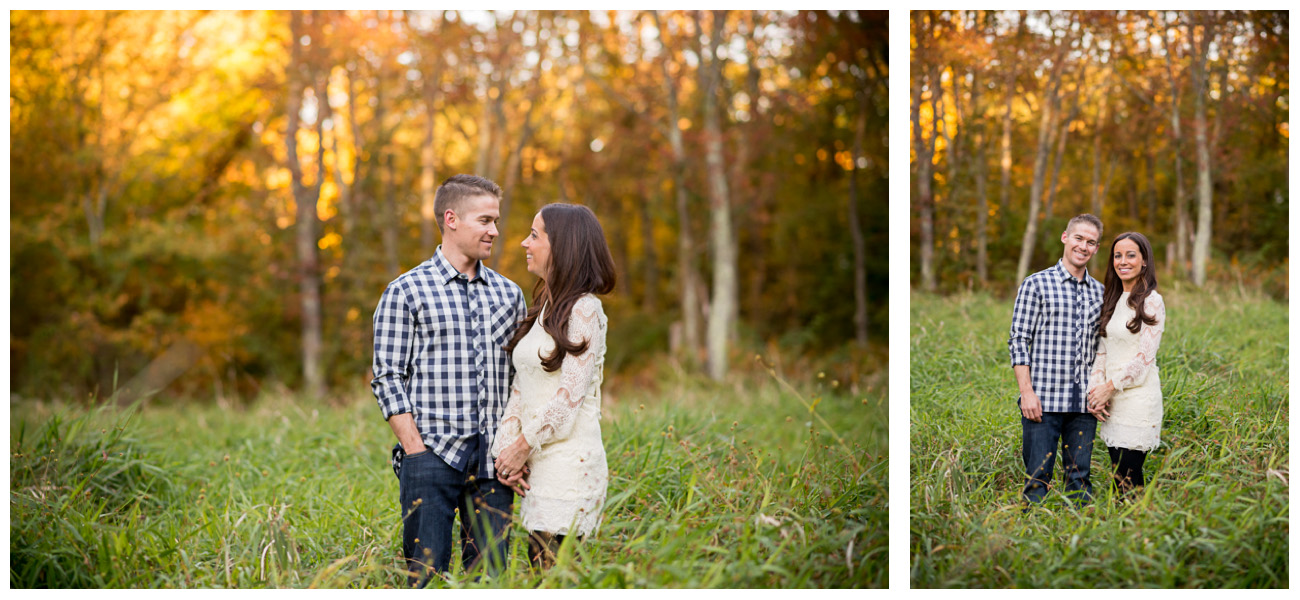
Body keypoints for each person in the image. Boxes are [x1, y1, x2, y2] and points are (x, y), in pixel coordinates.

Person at [370, 174, 528, 587]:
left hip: (494, 464)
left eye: (496, 220)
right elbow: (387, 377)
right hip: (431, 456)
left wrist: (515, 446)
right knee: (424, 580)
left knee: (491, 581)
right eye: (485, 220)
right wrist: (415, 451)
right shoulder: (405, 291)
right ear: (451, 219)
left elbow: (520, 378)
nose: (495, 230)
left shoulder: (510, 294)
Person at [490, 203, 615, 569]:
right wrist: (506, 455)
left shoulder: (584, 310)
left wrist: (521, 447)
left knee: (554, 573)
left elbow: (568, 400)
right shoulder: (545, 307)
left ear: (561, 246)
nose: (524, 243)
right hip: (538, 464)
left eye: (534, 235)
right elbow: (521, 388)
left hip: (569, 464)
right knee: (538, 569)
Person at [1008, 214, 1105, 505]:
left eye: (1091, 242)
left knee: (1080, 482)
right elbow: (1018, 340)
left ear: (1096, 249)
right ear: (1065, 237)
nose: (1083, 246)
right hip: (1042, 403)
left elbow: (1102, 348)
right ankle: (1031, 540)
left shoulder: (1101, 293)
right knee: (1037, 480)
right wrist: (1027, 393)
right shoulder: (1036, 284)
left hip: (1082, 406)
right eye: (1079, 238)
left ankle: (1078, 541)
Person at [1086, 232, 1165, 497]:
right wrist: (1096, 393)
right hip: (1112, 402)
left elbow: (1143, 359)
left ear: (1144, 261)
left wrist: (1109, 387)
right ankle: (1124, 531)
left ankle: (1136, 531)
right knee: (1118, 474)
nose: (1123, 261)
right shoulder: (1111, 299)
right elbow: (1102, 351)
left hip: (1138, 400)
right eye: (1117, 255)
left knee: (1128, 478)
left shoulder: (1152, 301)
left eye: (1131, 255)